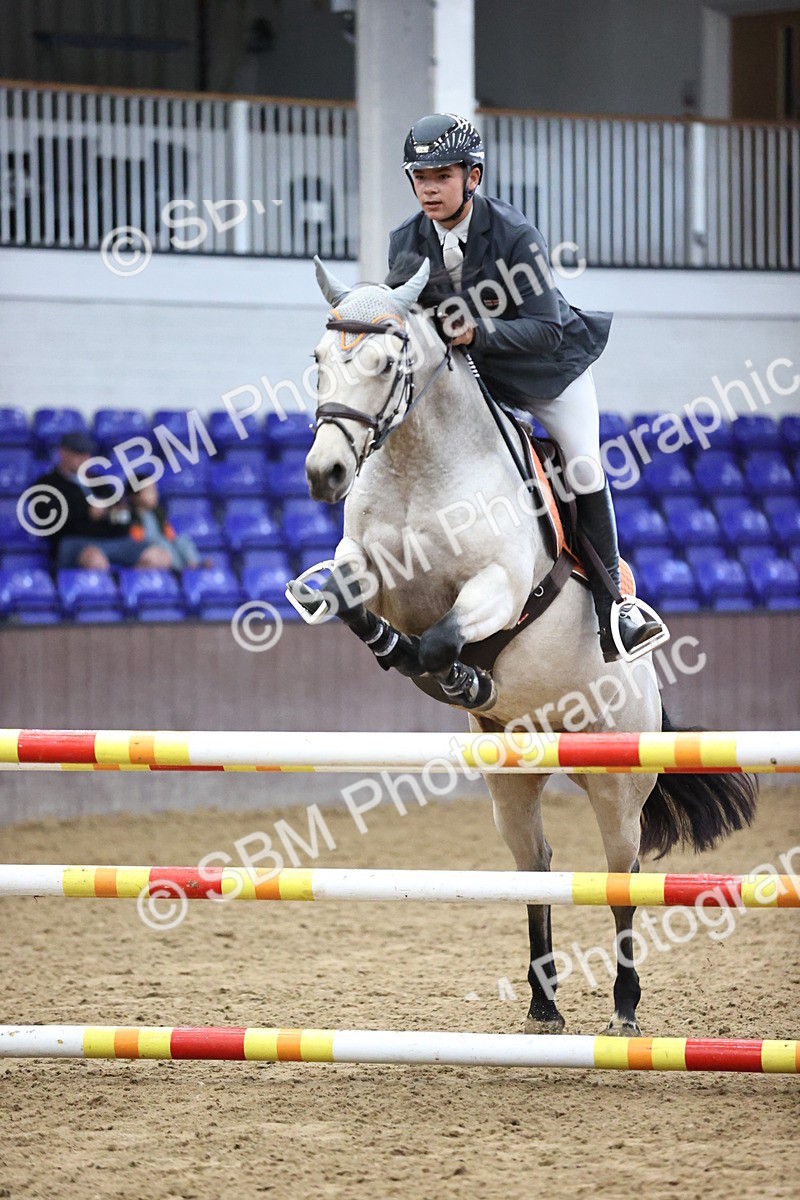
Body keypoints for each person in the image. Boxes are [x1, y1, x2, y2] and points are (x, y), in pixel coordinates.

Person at [388, 112, 666, 662]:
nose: (429, 189)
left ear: (472, 177)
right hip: (482, 378)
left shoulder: (515, 234)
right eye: (421, 177)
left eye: (442, 176)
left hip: (549, 371)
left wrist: (477, 331)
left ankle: (615, 608)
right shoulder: (406, 241)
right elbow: (406, 323)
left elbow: (546, 329)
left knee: (583, 465)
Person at [34, 432, 171, 570]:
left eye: (87, 454)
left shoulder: (100, 484)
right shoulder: (47, 484)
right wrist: (86, 512)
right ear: (63, 453)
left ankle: (129, 583)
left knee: (159, 556)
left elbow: (123, 514)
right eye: (78, 453)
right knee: (95, 559)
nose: (84, 459)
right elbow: (48, 520)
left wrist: (108, 513)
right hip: (76, 541)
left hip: (115, 539)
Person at [126, 476, 204, 570]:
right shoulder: (129, 517)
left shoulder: (158, 515)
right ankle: (180, 571)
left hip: (167, 549)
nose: (155, 494)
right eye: (150, 491)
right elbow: (136, 543)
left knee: (182, 540)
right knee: (158, 546)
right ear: (134, 496)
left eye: (155, 490)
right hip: (151, 553)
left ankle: (194, 566)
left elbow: (170, 536)